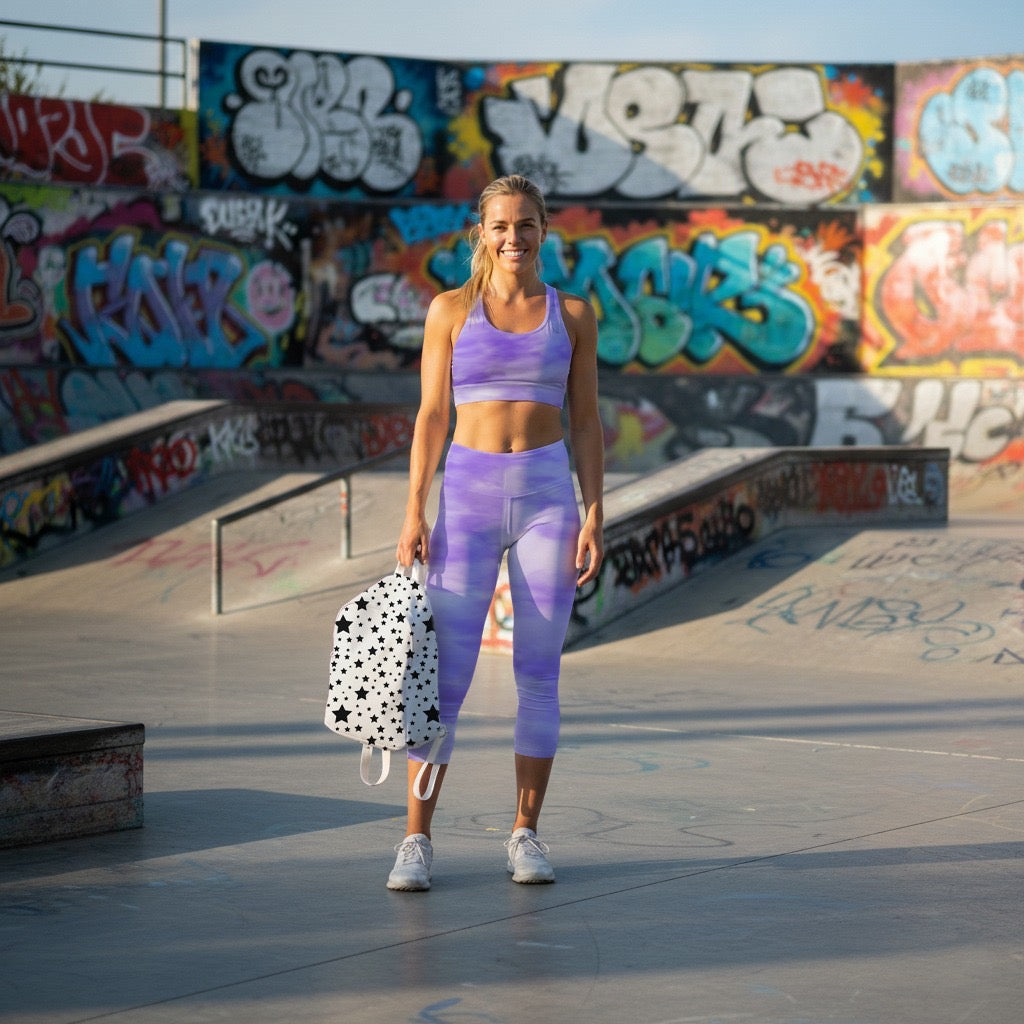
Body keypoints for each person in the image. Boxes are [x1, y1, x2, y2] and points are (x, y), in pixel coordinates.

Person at [389, 174, 604, 891]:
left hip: (548, 498)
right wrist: (414, 508)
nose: (514, 237)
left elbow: (585, 422)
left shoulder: (572, 315)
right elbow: (430, 418)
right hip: (471, 497)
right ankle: (416, 842)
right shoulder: (449, 311)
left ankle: (525, 834)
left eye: (527, 224)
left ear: (546, 231)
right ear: (479, 232)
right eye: (501, 225)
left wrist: (595, 506)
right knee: (444, 682)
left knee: (537, 676)